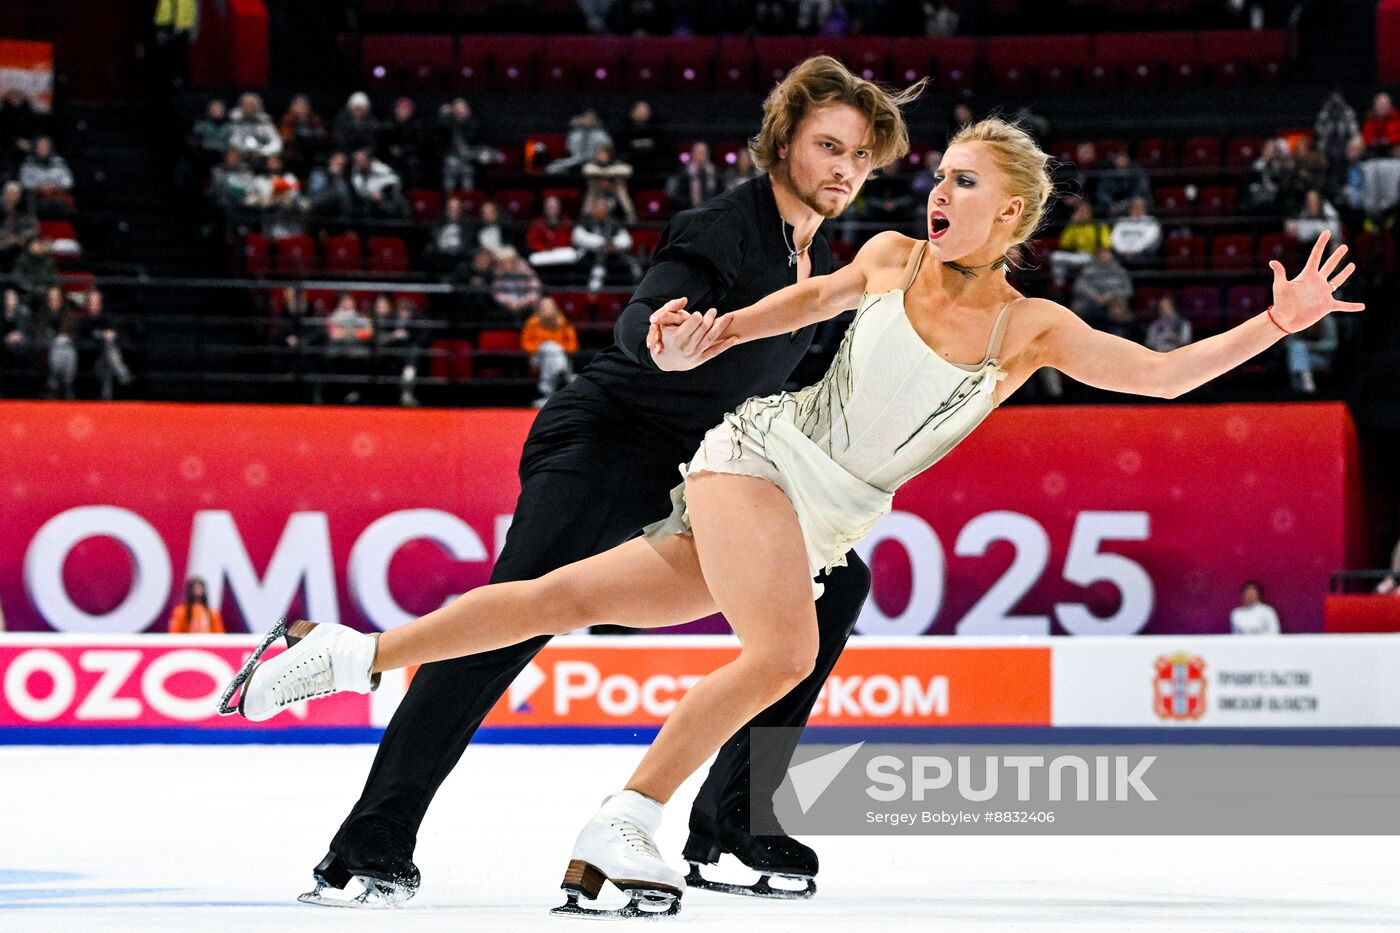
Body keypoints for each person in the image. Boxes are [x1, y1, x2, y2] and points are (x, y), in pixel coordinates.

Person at [230, 112, 1361, 915]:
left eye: (963, 181)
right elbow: (800, 300)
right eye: (940, 175)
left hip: (824, 514)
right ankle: (627, 820)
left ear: (1011, 211)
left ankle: (343, 654)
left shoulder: (1033, 330)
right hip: (758, 457)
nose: (937, 191)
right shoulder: (887, 257)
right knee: (781, 649)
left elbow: (1160, 378)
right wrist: (707, 335)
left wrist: (1278, 324)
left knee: (561, 597)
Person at [235, 56, 925, 912]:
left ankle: (733, 826)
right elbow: (653, 311)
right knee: (511, 617)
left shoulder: (808, 258)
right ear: (782, 141)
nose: (846, 171)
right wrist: (659, 335)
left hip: (705, 469)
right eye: (830, 146)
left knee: (835, 585)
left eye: (860, 158)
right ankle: (368, 841)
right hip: (610, 440)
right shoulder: (726, 225)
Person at [521, 295, 579, 406]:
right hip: (537, 358)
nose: (546, 309)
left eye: (549, 306)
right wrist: (543, 347)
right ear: (539, 308)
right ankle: (567, 375)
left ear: (554, 308)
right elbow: (526, 345)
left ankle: (547, 394)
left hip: (559, 357)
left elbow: (573, 345)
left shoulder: (563, 322)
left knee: (552, 351)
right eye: (544, 306)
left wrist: (558, 348)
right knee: (549, 347)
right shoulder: (532, 322)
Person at [1284, 312, 1338, 394]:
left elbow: (1332, 344)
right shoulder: (1298, 319)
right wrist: (1302, 344)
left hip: (1321, 358)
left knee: (1299, 350)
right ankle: (1305, 378)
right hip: (1300, 356)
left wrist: (1312, 346)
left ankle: (1302, 380)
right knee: (1298, 347)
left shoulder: (1327, 320)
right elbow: (1288, 343)